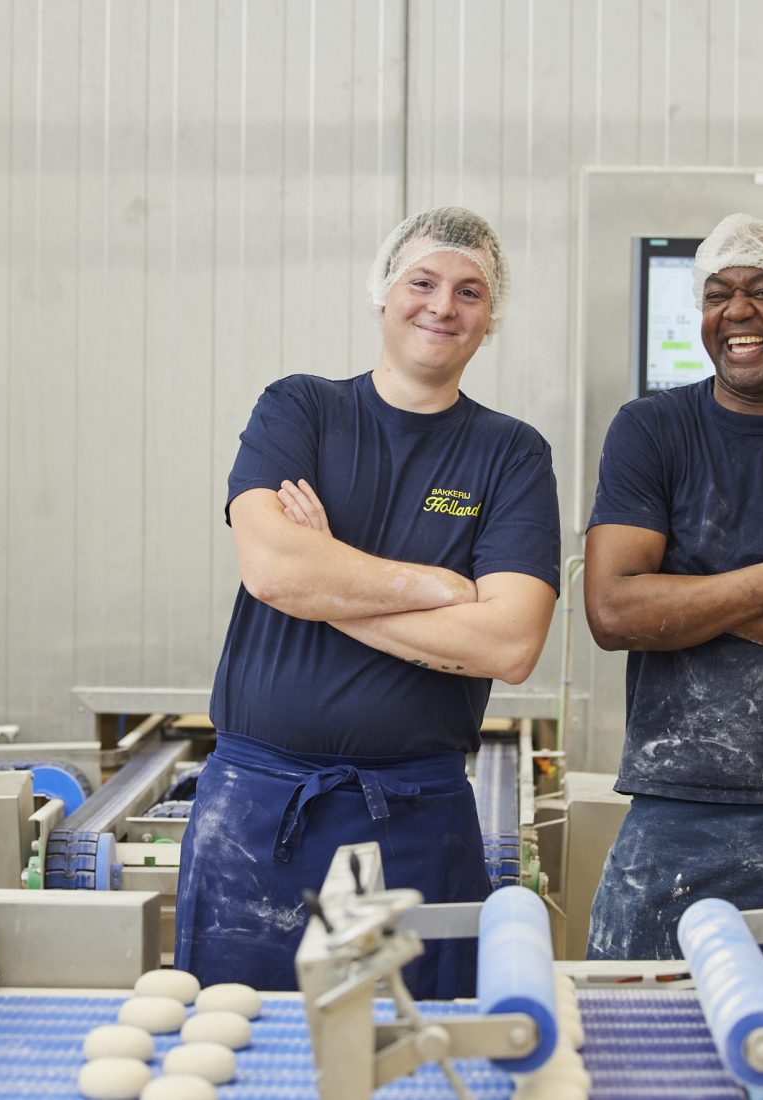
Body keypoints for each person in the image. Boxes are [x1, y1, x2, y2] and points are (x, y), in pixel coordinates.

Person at [174, 207, 561, 999]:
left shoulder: (511, 454)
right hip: (256, 814)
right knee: (245, 1049)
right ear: (383, 294)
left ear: (492, 319)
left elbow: (510, 644)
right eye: (422, 282)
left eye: (470, 292)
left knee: (409, 1059)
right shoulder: (300, 410)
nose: (442, 306)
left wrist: (328, 589)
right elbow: (274, 570)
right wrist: (441, 587)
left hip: (414, 821)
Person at [584, 212, 763, 985]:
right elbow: (613, 612)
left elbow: (647, 602)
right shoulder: (653, 431)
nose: (735, 312)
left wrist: (686, 597)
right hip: (677, 808)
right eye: (717, 294)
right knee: (633, 1038)